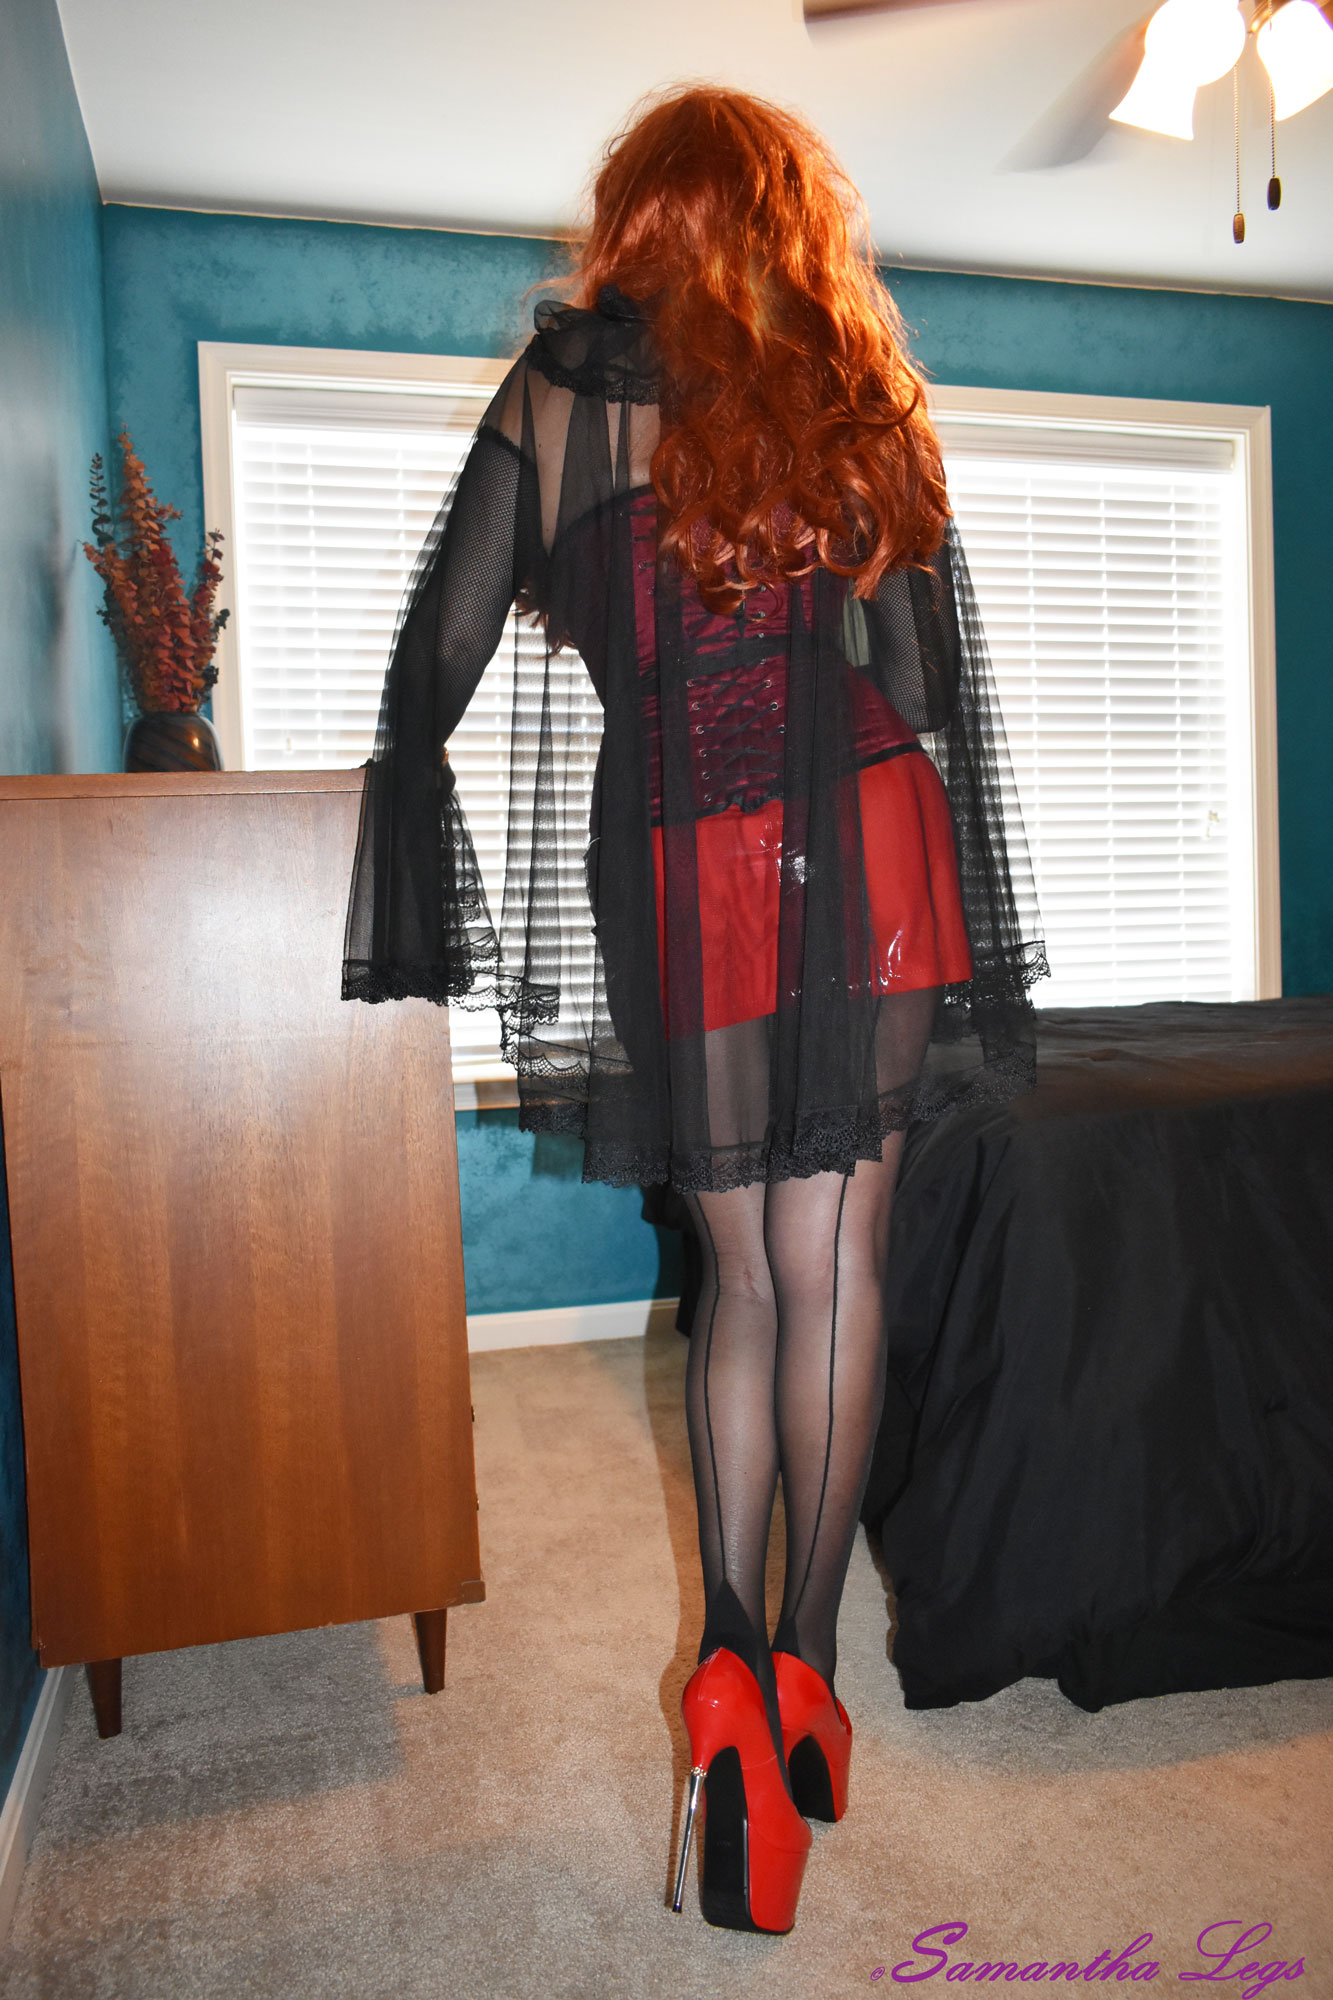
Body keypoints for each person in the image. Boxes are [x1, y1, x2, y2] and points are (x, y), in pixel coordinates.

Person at [344, 85, 1045, 1935]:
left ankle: (726, 1663)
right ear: (792, 222)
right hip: (861, 836)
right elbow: (921, 690)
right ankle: (802, 1668)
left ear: (634, 219)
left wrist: (412, 833)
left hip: (672, 862)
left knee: (741, 1277)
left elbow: (431, 667)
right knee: (841, 1266)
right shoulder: (857, 397)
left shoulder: (558, 397)